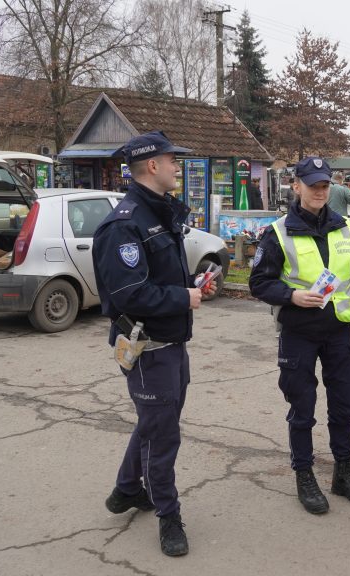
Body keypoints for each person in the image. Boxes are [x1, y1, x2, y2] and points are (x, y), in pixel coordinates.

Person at [93, 131, 217, 557]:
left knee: (155, 422)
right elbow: (129, 294)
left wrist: (191, 286)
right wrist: (184, 297)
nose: (177, 167)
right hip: (148, 348)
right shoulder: (125, 224)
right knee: (162, 434)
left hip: (171, 343)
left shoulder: (160, 213)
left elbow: (159, 277)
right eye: (172, 160)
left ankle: (126, 489)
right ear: (151, 166)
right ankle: (168, 515)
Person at [249, 156, 350, 515]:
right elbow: (259, 282)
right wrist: (292, 296)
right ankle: (304, 474)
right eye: (313, 184)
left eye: (324, 184)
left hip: (339, 333)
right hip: (299, 332)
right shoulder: (279, 232)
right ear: (296, 186)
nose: (320, 190)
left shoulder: (345, 228)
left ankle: (343, 472)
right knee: (302, 409)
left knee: (344, 406)